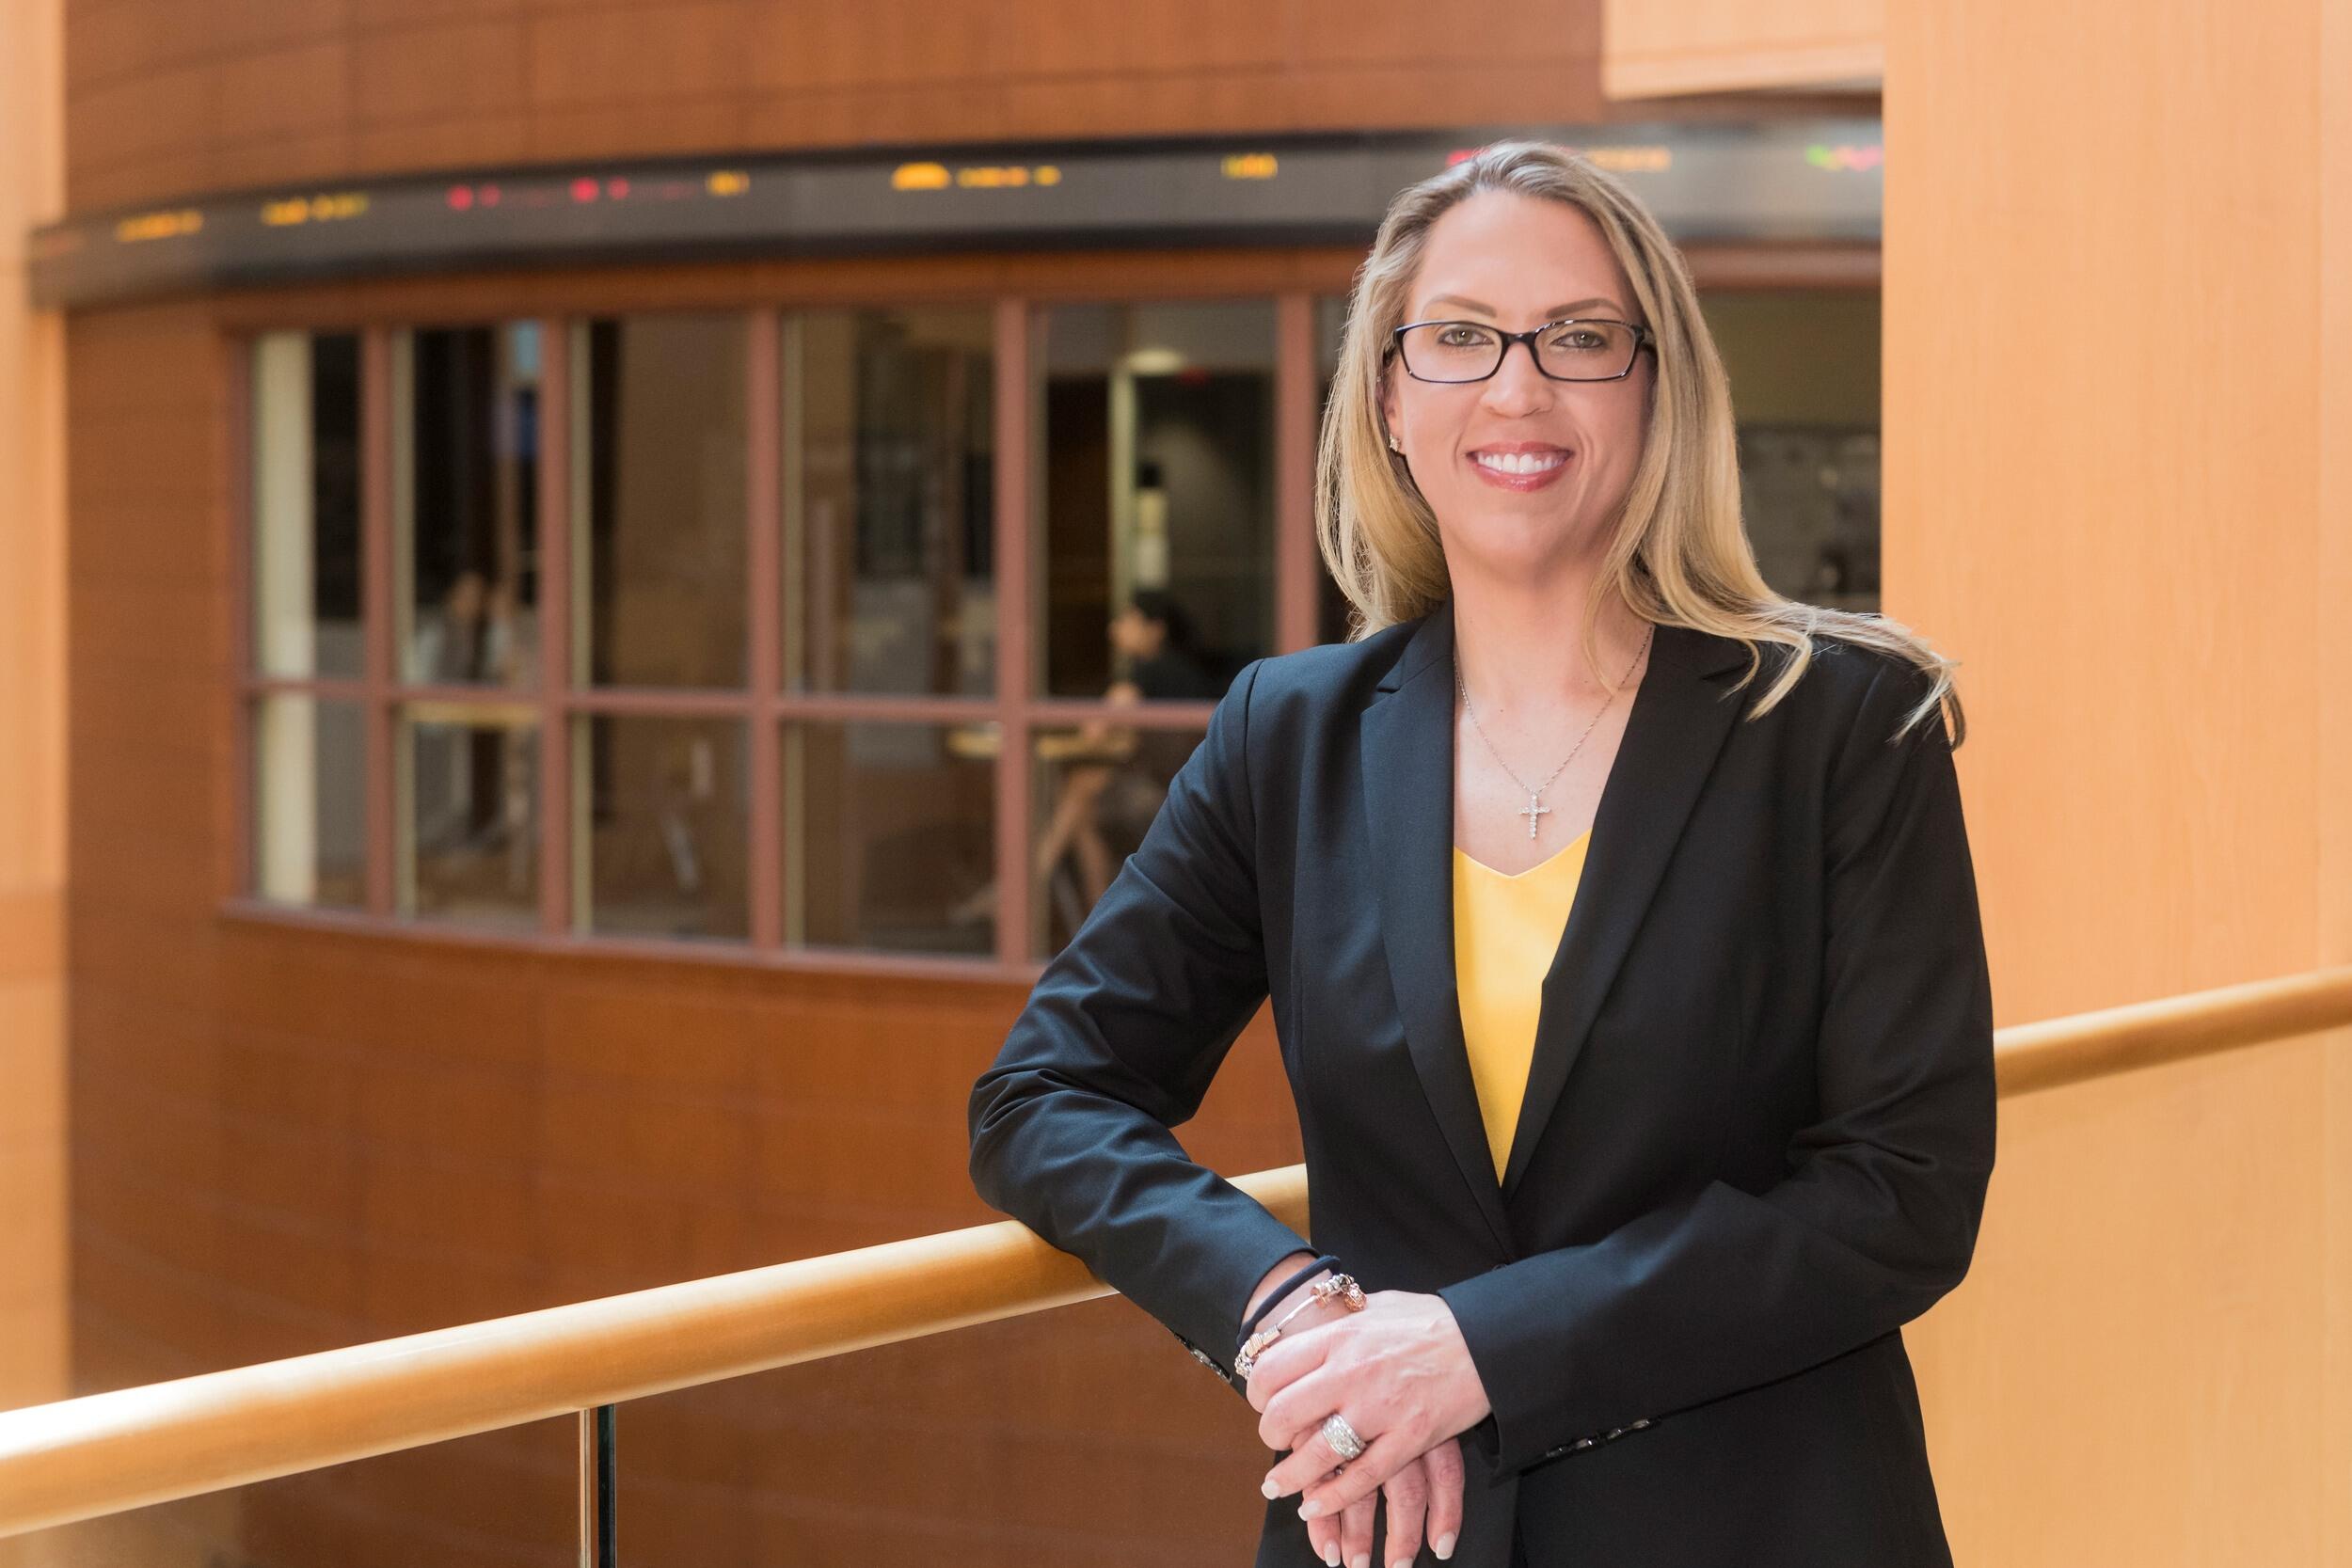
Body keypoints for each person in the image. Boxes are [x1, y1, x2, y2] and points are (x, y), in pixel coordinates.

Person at [967, 139, 1995, 1568]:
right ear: (1389, 399)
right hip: (1391, 1530)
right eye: (1457, 338)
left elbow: (1902, 1192)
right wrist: (1281, 1306)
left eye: (1578, 337)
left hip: (1757, 1523)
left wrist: (1480, 1347)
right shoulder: (1290, 735)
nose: (1517, 389)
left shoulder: (1841, 725)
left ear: (1657, 387)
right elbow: (1044, 1096)